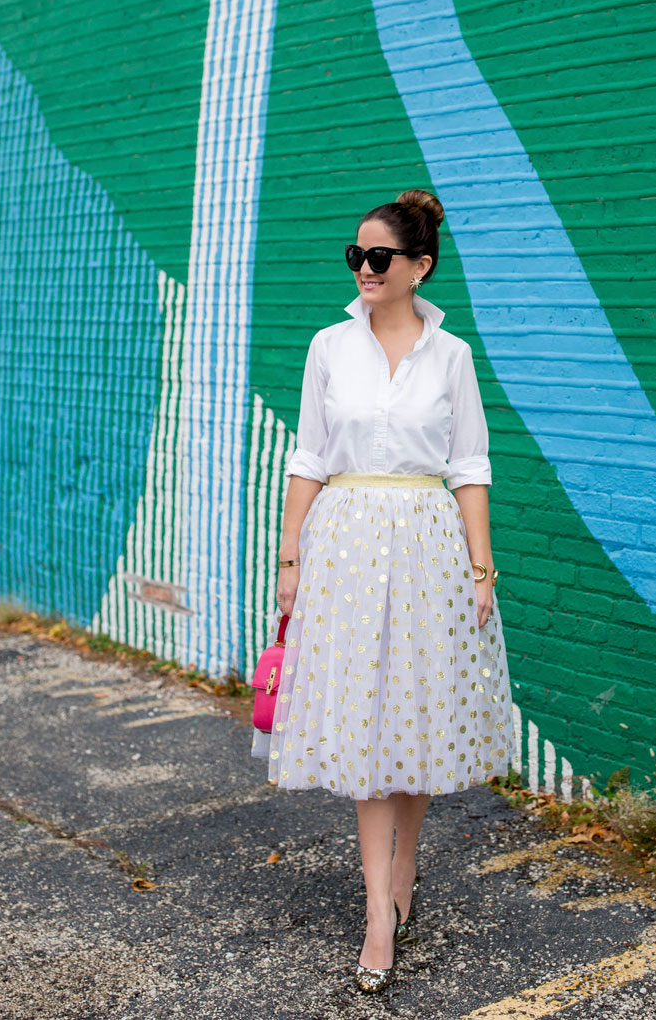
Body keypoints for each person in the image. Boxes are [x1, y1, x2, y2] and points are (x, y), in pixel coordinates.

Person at [250, 188, 515, 993]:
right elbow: (309, 455)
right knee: (369, 731)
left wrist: (481, 569)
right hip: (348, 548)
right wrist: (290, 557)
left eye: (380, 257)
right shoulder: (330, 345)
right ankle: (377, 914)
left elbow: (469, 466)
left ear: (419, 267)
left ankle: (404, 879)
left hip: (430, 545)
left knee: (417, 722)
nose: (364, 268)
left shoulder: (454, 356)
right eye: (355, 256)